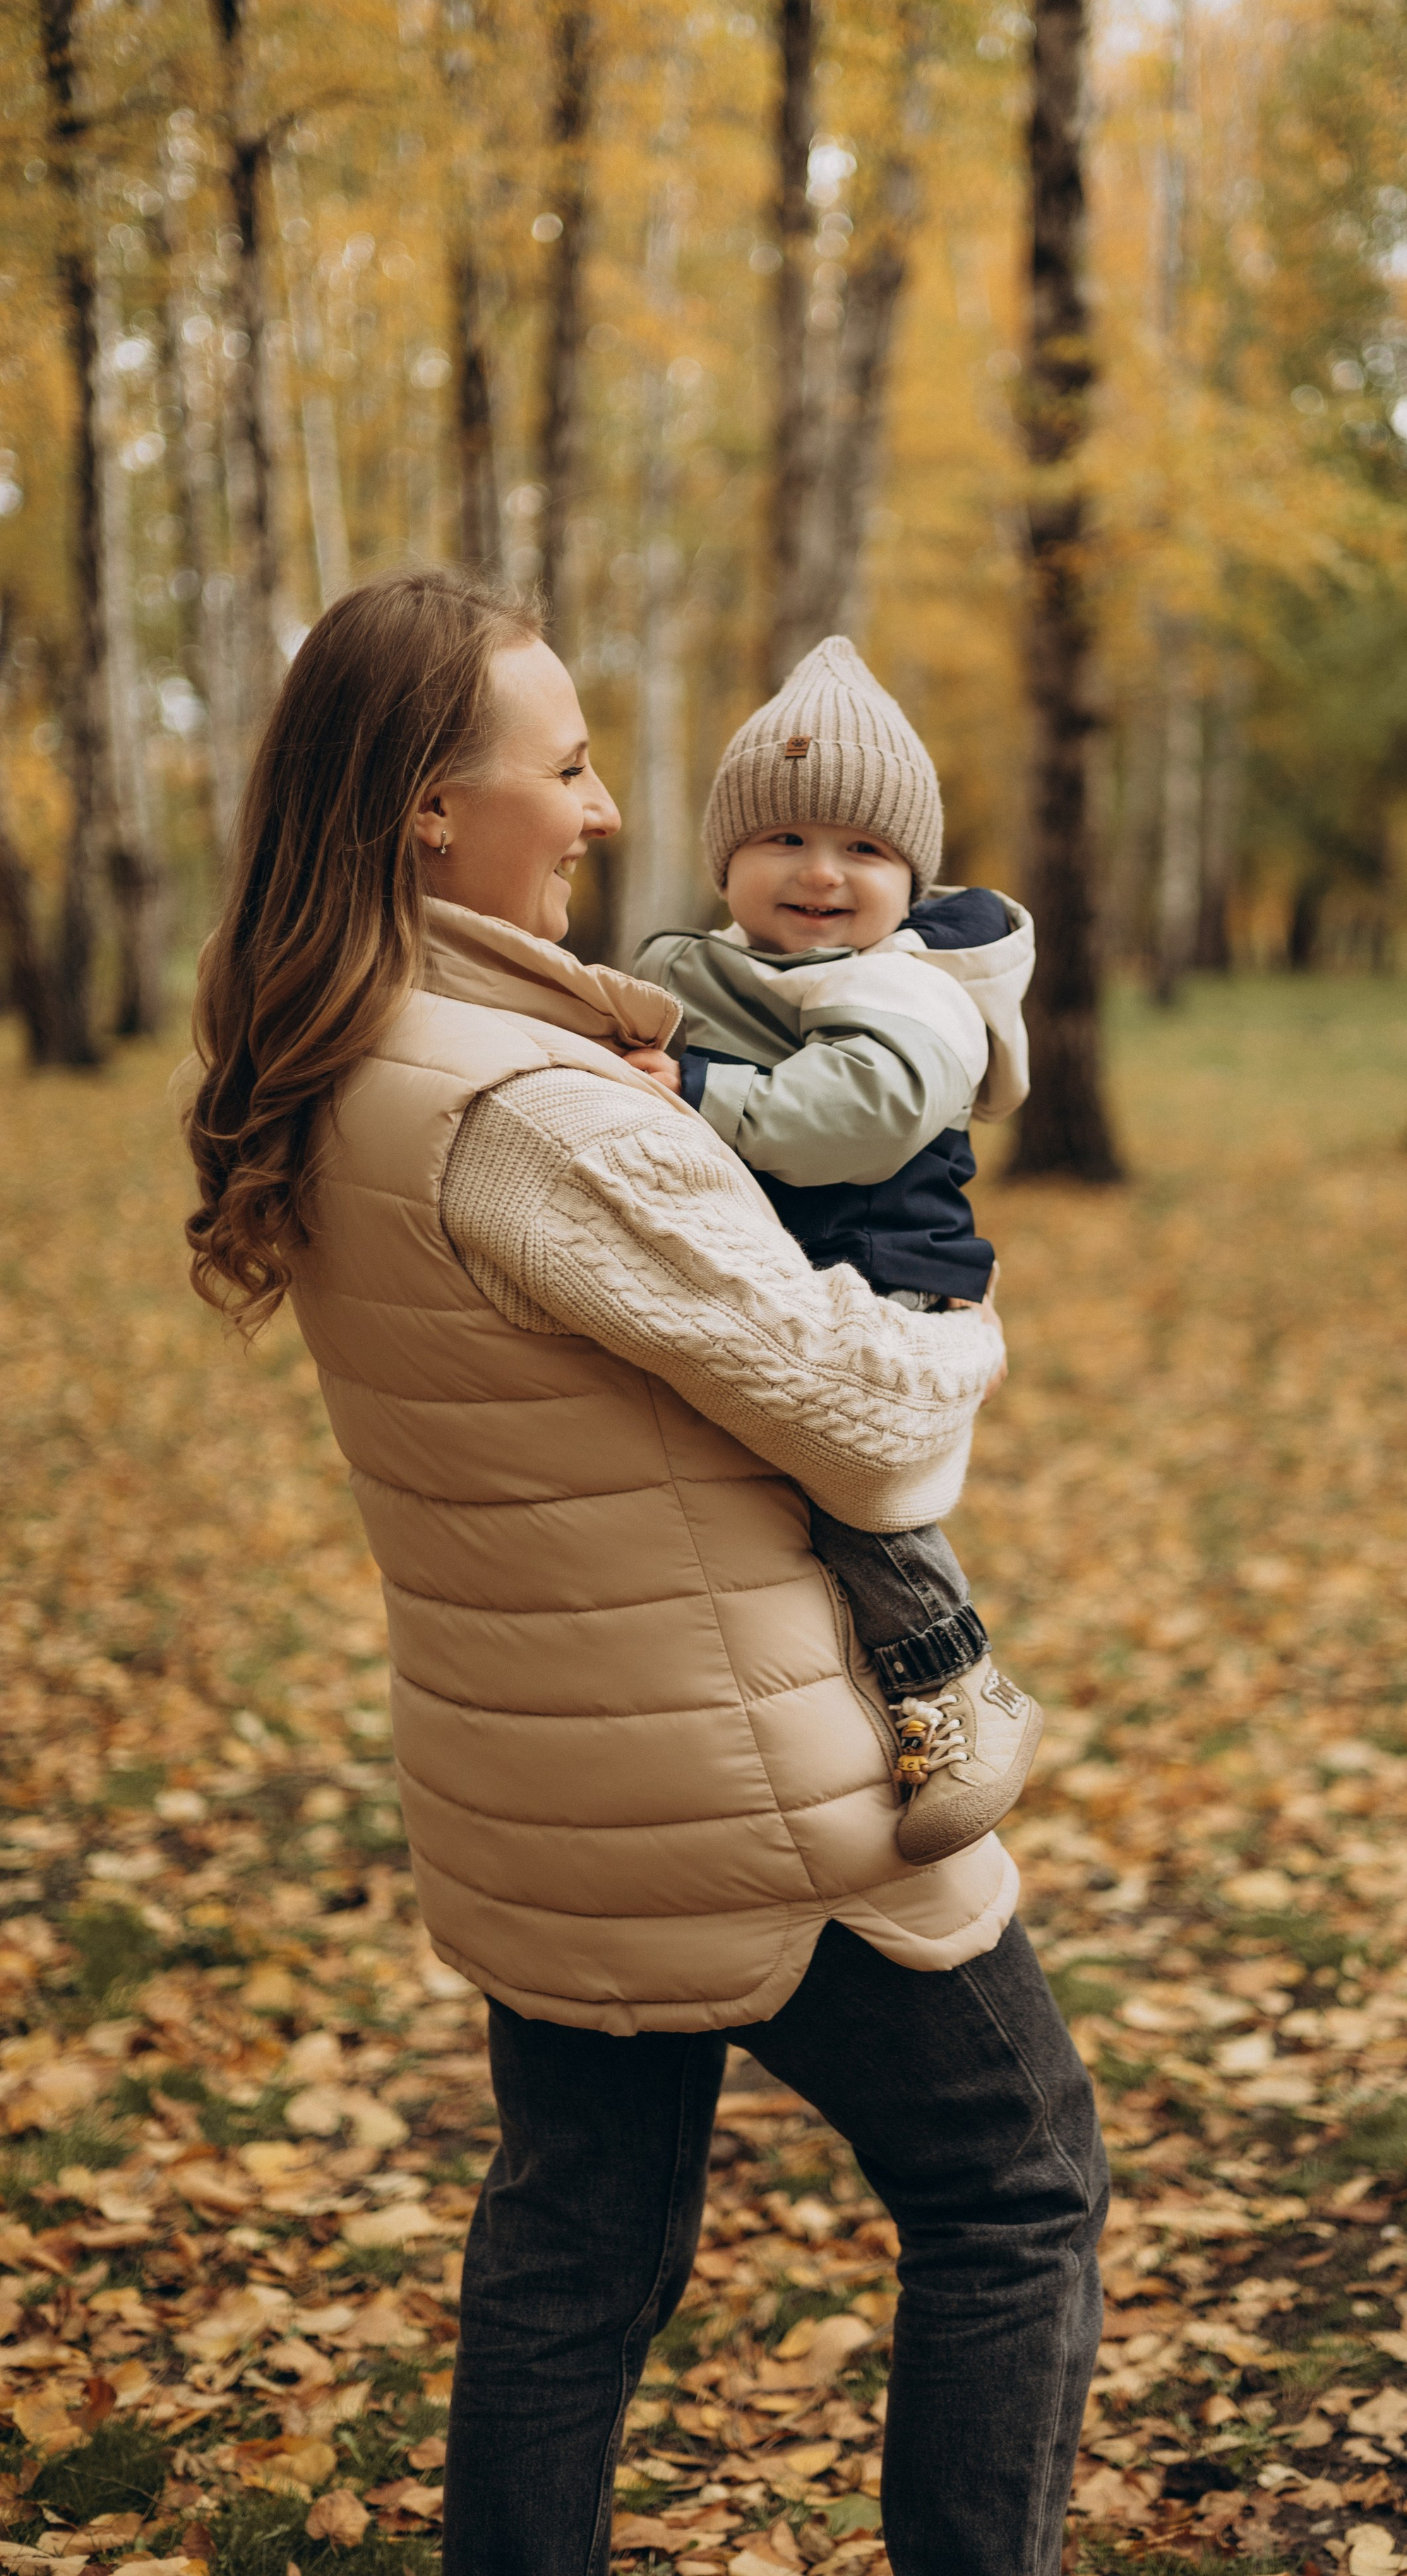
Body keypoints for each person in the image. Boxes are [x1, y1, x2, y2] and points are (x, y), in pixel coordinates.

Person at [180, 570, 1106, 2576]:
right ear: (433, 806)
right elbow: (873, 1424)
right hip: (742, 1780)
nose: (605, 809)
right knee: (1015, 2185)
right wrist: (968, 1336)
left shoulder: (352, 1057)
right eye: (572, 763)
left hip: (538, 1781)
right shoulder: (539, 1116)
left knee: (576, 2256)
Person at [633, 635, 1043, 1867]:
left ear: (909, 878)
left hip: (885, 1275)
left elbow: (855, 1120)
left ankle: (959, 1677)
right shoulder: (749, 968)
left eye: (864, 849)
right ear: (730, 858)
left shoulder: (905, 988)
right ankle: (880, 1693)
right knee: (789, 1502)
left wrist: (694, 1087)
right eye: (785, 841)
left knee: (850, 1490)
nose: (822, 873)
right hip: (818, 1269)